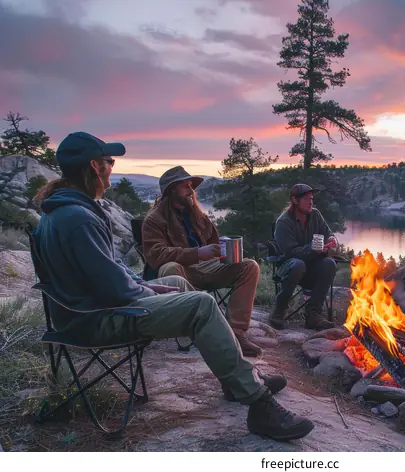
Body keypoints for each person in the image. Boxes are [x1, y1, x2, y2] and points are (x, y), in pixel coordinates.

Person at [33, 131, 314, 441]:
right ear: (94, 167)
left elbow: (108, 271)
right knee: (201, 304)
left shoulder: (66, 211)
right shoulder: (79, 219)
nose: (112, 167)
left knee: (177, 283)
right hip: (95, 318)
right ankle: (259, 405)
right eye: (109, 161)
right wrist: (145, 290)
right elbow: (114, 286)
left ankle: (236, 379)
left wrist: (146, 285)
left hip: (90, 307)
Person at [141, 166, 262, 357]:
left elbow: (214, 244)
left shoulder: (198, 216)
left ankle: (236, 333)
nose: (191, 191)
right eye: (185, 187)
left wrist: (227, 251)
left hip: (208, 268)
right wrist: (196, 253)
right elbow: (156, 255)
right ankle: (192, 329)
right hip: (181, 271)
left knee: (249, 266)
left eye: (192, 186)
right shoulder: (155, 219)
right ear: (172, 190)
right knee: (170, 267)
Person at [270, 184, 337, 331]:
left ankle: (314, 315)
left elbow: (328, 233)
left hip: (311, 267)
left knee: (329, 264)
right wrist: (311, 248)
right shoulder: (284, 222)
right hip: (288, 268)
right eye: (306, 199)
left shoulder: (316, 215)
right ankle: (279, 311)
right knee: (298, 264)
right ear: (295, 200)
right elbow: (289, 253)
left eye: (311, 199)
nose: (311, 202)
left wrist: (332, 239)